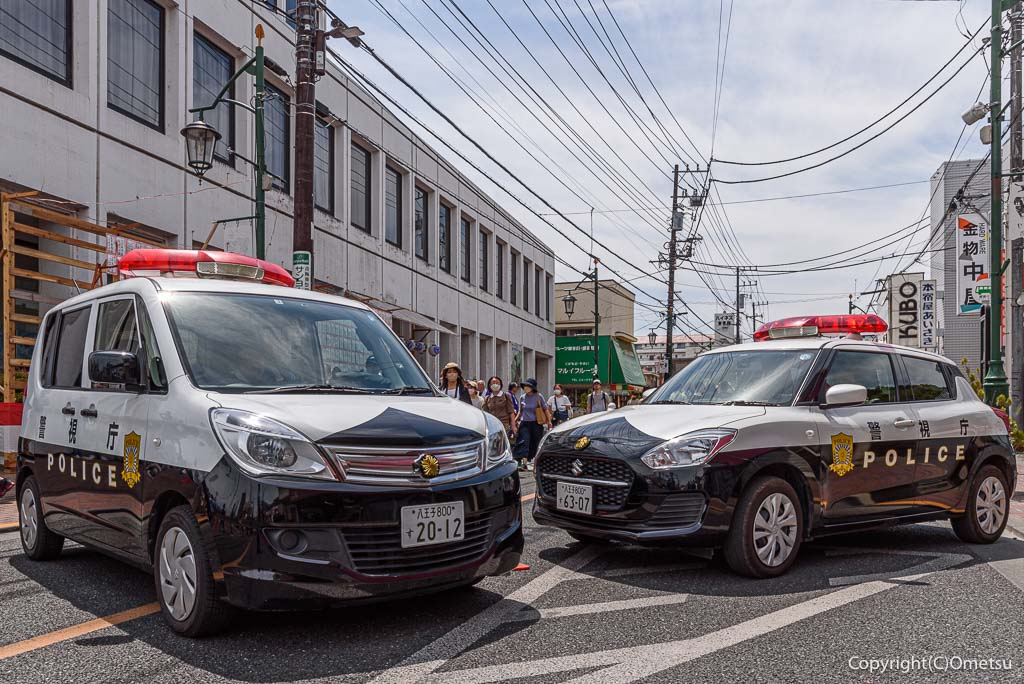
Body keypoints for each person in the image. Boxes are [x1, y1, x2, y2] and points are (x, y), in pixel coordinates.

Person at [514, 378, 550, 470]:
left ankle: (536, 462)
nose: (525, 388)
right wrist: (514, 420)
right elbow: (520, 411)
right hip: (524, 423)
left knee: (536, 442)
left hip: (536, 423)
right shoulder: (522, 397)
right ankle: (524, 463)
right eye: (524, 386)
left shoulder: (538, 396)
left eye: (528, 386)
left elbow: (545, 409)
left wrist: (549, 421)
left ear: (532, 387)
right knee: (524, 442)